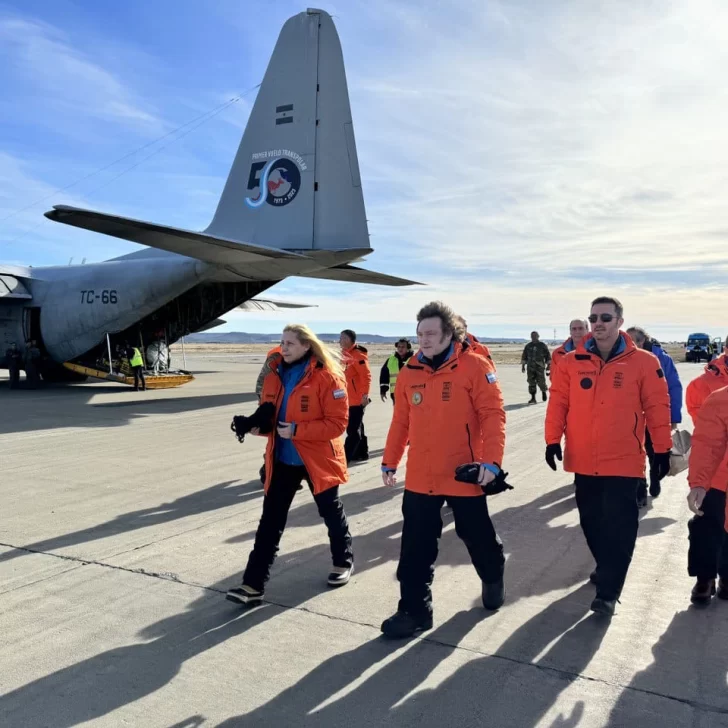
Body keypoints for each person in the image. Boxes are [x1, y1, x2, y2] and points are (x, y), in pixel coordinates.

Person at [380, 301, 507, 638]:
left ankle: (493, 574)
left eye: (432, 333)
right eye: (420, 333)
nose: (424, 339)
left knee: (477, 538)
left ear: (449, 333)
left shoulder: (475, 366)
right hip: (421, 476)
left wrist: (491, 463)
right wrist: (390, 460)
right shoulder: (409, 371)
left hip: (463, 472)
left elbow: (493, 416)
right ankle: (414, 612)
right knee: (415, 548)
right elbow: (401, 421)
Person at [544, 296, 672, 616]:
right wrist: (551, 440)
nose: (598, 323)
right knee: (592, 523)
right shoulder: (570, 362)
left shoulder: (644, 362)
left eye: (605, 317)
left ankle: (609, 590)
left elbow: (657, 408)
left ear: (619, 321)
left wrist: (661, 448)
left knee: (620, 526)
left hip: (624, 460)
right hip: (583, 459)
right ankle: (606, 566)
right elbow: (558, 403)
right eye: (593, 318)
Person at [226, 324, 354, 605]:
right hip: (282, 458)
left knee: (330, 512)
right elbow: (271, 415)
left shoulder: (328, 377)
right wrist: (255, 426)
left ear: (307, 346)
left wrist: (297, 431)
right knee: (270, 522)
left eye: (290, 343)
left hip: (318, 460)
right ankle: (253, 585)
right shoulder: (274, 375)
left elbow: (337, 424)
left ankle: (343, 562)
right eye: (282, 342)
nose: (283, 348)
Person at [684, 344, 728, 603]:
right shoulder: (706, 386)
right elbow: (707, 439)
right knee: (706, 526)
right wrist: (699, 481)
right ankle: (704, 578)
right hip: (716, 472)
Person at [626, 326, 683, 505]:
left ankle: (655, 478)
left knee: (653, 451)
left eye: (632, 340)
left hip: (655, 414)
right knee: (636, 453)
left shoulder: (662, 358)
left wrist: (673, 417)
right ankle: (640, 489)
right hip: (632, 417)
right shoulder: (624, 358)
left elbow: (674, 387)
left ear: (642, 341)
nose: (628, 343)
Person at [340, 329, 371, 462]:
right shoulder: (344, 355)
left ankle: (345, 457)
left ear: (350, 340)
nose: (340, 340)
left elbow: (366, 376)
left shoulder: (357, 355)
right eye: (340, 338)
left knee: (353, 429)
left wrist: (364, 395)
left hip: (357, 399)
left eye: (343, 338)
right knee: (358, 425)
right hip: (348, 398)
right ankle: (362, 453)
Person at [255, 345, 283, 485]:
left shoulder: (303, 358)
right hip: (273, 407)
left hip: (289, 407)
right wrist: (263, 405)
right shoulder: (274, 358)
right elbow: (261, 381)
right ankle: (267, 472)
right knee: (276, 443)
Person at [379, 339, 413, 404]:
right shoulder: (391, 360)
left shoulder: (414, 360)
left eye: (403, 347)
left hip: (410, 393)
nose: (400, 349)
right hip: (395, 393)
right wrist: (383, 390)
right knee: (398, 413)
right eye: (399, 347)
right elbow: (384, 376)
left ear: (408, 348)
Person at [521, 331, 550, 403]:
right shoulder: (528, 346)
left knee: (541, 381)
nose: (533, 337)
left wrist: (548, 365)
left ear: (538, 336)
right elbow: (524, 356)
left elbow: (547, 356)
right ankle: (533, 398)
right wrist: (523, 366)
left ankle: (543, 392)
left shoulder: (542, 345)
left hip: (539, 367)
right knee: (531, 382)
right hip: (530, 367)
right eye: (532, 336)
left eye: (535, 336)